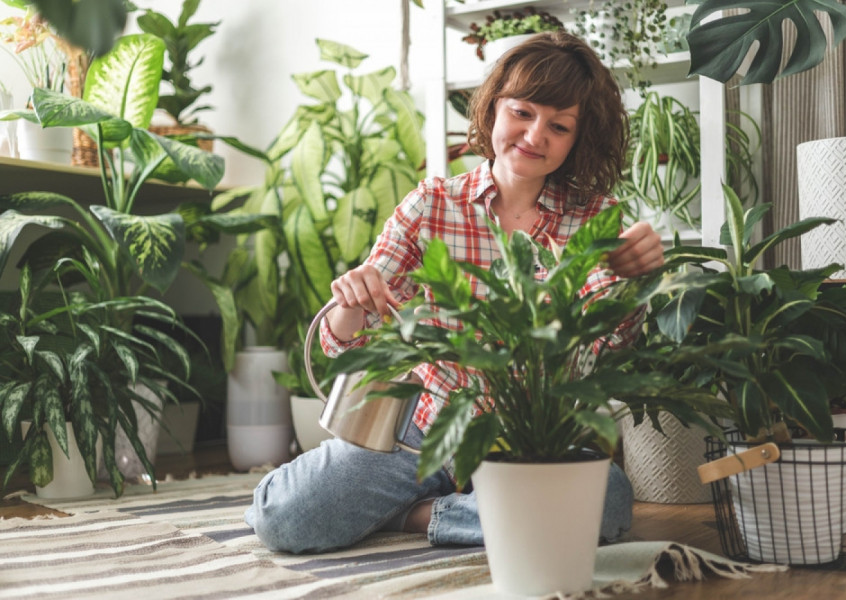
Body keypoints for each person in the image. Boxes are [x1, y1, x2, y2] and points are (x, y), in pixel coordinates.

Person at [244, 31, 663, 554]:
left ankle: (419, 515)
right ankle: (477, 510)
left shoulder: (595, 218)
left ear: (579, 139)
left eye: (559, 126)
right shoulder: (434, 202)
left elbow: (608, 352)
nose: (535, 136)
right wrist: (351, 302)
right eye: (523, 112)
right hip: (420, 433)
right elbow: (343, 345)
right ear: (493, 109)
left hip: (534, 439)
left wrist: (632, 282)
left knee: (608, 503)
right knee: (282, 516)